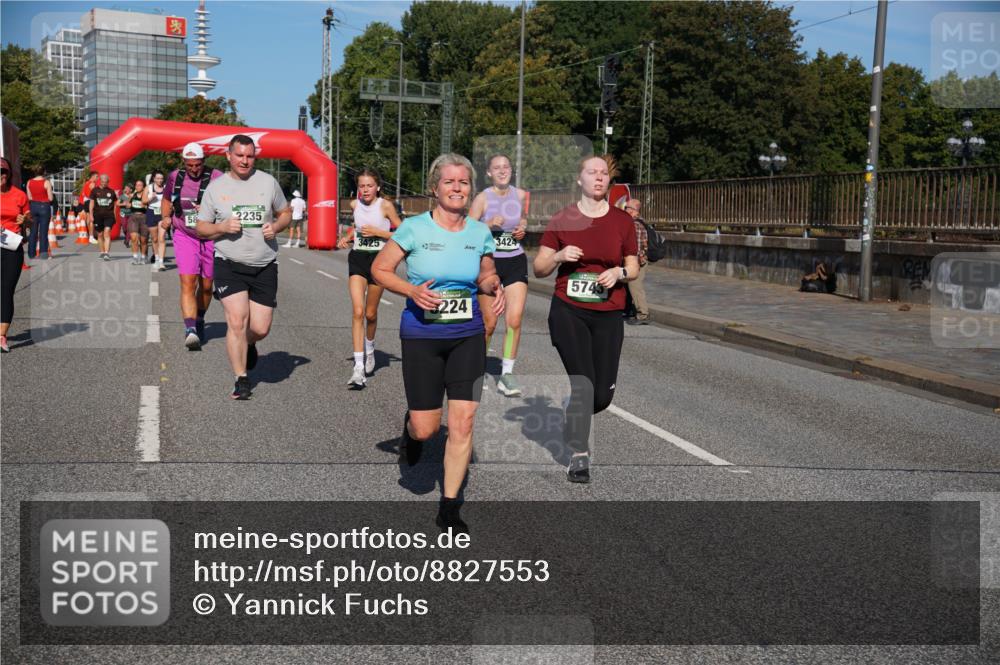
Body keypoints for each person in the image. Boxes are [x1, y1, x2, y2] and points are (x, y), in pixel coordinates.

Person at [372, 153, 504, 532]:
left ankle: (449, 507)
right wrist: (412, 290)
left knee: (462, 423)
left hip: (467, 336)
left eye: (463, 182)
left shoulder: (479, 233)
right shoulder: (413, 229)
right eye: (450, 182)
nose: (457, 188)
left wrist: (493, 286)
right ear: (435, 189)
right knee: (428, 429)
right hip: (422, 335)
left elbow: (485, 274)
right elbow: (380, 270)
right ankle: (412, 431)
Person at [533, 155, 639, 483]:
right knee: (584, 384)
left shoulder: (622, 222)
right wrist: (559, 256)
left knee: (601, 396)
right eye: (591, 173)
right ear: (579, 179)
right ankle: (579, 454)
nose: (598, 178)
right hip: (569, 310)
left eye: (603, 173)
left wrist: (618, 272)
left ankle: (573, 418)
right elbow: (538, 268)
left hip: (608, 314)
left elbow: (633, 267)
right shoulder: (563, 218)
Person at [195, 134, 291, 400]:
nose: (245, 161)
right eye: (239, 155)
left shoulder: (268, 183)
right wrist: (222, 227)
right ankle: (241, 379)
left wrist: (277, 226)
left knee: (260, 328)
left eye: (249, 156)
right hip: (229, 263)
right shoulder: (216, 188)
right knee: (237, 321)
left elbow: (286, 213)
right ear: (229, 155)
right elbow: (201, 227)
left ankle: (249, 343)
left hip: (264, 264)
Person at [468, 154, 528, 396]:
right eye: (497, 168)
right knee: (490, 323)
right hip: (488, 263)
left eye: (506, 167)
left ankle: (507, 375)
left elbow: (523, 219)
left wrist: (523, 228)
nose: (503, 171)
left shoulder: (521, 195)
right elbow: (467, 231)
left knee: (514, 319)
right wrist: (488, 224)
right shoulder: (482, 198)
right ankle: (477, 368)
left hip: (515, 260)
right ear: (489, 173)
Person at [337, 169, 401, 388]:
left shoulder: (385, 206)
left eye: (369, 186)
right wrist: (347, 237)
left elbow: (403, 233)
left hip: (379, 262)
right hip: (357, 259)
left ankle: (370, 349)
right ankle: (358, 368)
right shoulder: (355, 205)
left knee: (371, 314)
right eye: (361, 186)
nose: (365, 190)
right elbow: (357, 228)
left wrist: (379, 233)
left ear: (378, 187)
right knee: (358, 311)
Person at [160, 142, 224, 350]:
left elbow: (228, 204)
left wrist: (209, 208)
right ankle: (190, 330)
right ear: (184, 163)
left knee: (206, 286)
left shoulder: (217, 177)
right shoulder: (174, 177)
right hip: (185, 234)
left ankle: (199, 318)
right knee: (188, 282)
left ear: (204, 162)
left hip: (211, 235)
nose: (194, 169)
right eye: (190, 165)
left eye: (197, 165)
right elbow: (167, 199)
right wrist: (165, 217)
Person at [1, 156, 31, 352]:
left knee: (5, 290)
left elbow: (29, 222)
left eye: (3, 171)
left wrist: (25, 220)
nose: (0, 176)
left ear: (9, 173)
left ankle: (1, 336)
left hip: (12, 248)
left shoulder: (19, 195)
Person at [624, 198, 650, 325]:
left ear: (635, 211)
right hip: (636, 261)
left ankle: (643, 314)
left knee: (635, 286)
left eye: (628, 208)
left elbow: (638, 247)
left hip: (638, 261)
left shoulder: (635, 224)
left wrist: (635, 264)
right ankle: (629, 310)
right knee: (628, 284)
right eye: (626, 207)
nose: (626, 210)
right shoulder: (634, 222)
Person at [26, 165, 54, 260]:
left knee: (33, 231)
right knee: (43, 231)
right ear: (44, 172)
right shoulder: (46, 182)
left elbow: (29, 197)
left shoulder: (29, 182)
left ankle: (31, 254)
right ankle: (43, 254)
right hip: (44, 207)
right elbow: (50, 198)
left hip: (33, 206)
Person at [144, 171, 166, 270]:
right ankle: (156, 258)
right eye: (158, 178)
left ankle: (161, 262)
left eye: (161, 178)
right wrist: (150, 198)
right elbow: (143, 201)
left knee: (162, 238)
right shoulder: (148, 188)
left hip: (162, 214)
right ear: (154, 179)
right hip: (151, 212)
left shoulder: (166, 188)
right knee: (155, 238)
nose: (160, 180)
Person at [124, 179, 148, 264]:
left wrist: (145, 205)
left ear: (143, 187)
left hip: (144, 217)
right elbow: (127, 205)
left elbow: (149, 206)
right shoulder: (132, 195)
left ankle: (143, 257)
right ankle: (134, 257)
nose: (138, 187)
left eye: (140, 185)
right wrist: (128, 204)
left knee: (143, 240)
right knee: (134, 238)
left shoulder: (146, 196)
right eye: (137, 185)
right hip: (133, 217)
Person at [79, 171, 99, 244]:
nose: (97, 178)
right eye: (97, 176)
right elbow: (95, 194)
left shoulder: (86, 183)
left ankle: (90, 235)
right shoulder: (92, 184)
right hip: (90, 202)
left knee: (88, 218)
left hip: (85, 201)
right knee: (91, 219)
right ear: (93, 176)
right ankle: (91, 236)